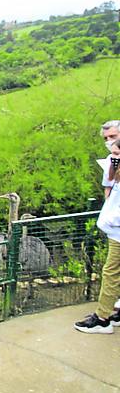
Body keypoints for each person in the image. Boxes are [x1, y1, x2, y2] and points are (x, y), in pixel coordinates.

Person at [74, 138, 120, 333]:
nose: (112, 158)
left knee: (111, 272)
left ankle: (102, 318)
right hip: (114, 231)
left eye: (116, 154)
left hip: (118, 232)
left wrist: (112, 220)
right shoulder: (115, 173)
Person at [98, 120, 120, 199]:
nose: (109, 141)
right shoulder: (110, 160)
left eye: (113, 136)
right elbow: (108, 187)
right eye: (105, 138)